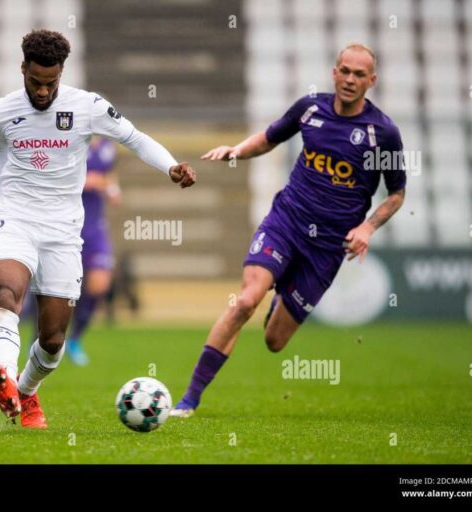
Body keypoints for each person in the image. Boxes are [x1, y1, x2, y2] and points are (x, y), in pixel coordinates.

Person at [171, 44, 406, 418]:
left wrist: (368, 226)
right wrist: (237, 150)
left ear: (371, 81)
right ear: (334, 72)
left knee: (274, 341)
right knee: (246, 300)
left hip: (328, 246)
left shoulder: (383, 133)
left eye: (359, 74)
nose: (349, 79)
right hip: (287, 222)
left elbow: (396, 194)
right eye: (344, 70)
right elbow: (269, 137)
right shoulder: (310, 108)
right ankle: (188, 400)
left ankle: (282, 297)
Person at [0, 29, 196, 429]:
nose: (43, 92)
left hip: (63, 229)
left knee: (53, 340)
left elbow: (134, 138)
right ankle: (3, 375)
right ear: (22, 69)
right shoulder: (3, 111)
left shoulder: (88, 107)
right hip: (16, 217)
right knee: (7, 293)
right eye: (35, 82)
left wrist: (171, 166)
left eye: (51, 83)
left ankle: (24, 394)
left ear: (62, 73)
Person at [65, 136, 121, 366]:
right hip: (68, 227)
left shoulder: (108, 148)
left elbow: (110, 177)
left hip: (96, 228)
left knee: (99, 284)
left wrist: (113, 188)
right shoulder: (69, 143)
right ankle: (40, 339)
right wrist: (88, 181)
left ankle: (75, 339)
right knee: (58, 290)